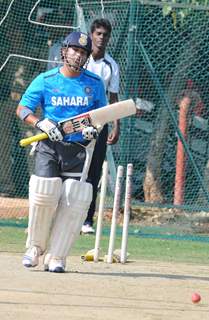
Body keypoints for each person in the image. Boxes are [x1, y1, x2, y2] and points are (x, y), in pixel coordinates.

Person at [16, 31, 107, 273]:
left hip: (78, 148)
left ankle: (57, 256)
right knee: (44, 193)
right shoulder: (46, 79)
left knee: (73, 199)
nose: (78, 56)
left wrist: (93, 129)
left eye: (83, 53)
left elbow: (102, 116)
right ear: (64, 51)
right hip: (49, 145)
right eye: (75, 50)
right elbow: (23, 108)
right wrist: (39, 123)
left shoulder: (94, 84)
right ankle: (35, 247)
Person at [81, 18, 120, 234]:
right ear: (91, 35)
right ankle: (67, 215)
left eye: (105, 34)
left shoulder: (111, 66)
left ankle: (87, 220)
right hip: (77, 121)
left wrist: (116, 125)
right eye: (98, 34)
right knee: (74, 168)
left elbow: (113, 98)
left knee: (94, 172)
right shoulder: (82, 60)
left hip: (100, 122)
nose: (101, 38)